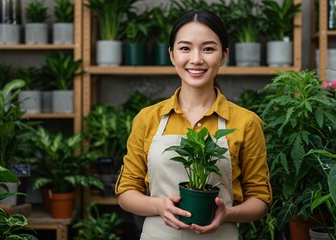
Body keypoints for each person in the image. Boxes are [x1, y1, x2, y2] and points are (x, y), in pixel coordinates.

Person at [115, 8, 272, 239]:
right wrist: (159, 206)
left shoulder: (246, 122)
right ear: (171, 55)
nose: (196, 59)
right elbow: (126, 192)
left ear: (224, 55)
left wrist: (227, 213)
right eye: (185, 48)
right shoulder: (148, 119)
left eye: (208, 49)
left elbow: (260, 199)